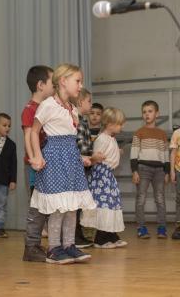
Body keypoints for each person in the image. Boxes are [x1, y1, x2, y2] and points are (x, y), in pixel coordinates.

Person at [30, 63, 95, 264]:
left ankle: (69, 245)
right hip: (54, 160)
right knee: (59, 206)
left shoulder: (73, 109)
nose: (80, 85)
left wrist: (79, 157)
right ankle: (54, 248)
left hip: (70, 160)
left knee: (71, 205)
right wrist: (38, 156)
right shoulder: (48, 105)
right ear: (63, 81)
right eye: (77, 81)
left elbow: (70, 139)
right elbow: (33, 131)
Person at [81, 108, 127, 249]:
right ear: (110, 124)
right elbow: (96, 158)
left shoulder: (110, 138)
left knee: (111, 204)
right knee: (103, 205)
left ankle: (111, 234)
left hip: (108, 175)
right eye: (119, 124)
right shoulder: (102, 138)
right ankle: (100, 238)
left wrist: (116, 152)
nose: (122, 127)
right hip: (101, 176)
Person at [21, 65, 54, 262]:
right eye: (52, 82)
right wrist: (35, 158)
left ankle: (40, 245)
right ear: (41, 85)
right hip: (35, 165)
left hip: (46, 163)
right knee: (36, 206)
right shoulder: (30, 109)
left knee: (46, 205)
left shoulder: (46, 107)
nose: (55, 86)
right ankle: (31, 246)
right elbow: (28, 135)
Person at [131, 100, 169, 239]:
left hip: (159, 170)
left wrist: (166, 172)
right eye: (144, 112)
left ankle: (162, 227)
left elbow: (165, 155)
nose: (147, 114)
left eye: (150, 111)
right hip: (143, 169)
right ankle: (141, 227)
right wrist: (134, 171)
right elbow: (134, 154)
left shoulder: (162, 134)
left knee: (160, 198)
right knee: (141, 198)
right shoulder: (139, 133)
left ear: (157, 114)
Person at [73, 88, 105, 248]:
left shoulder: (83, 120)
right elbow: (80, 146)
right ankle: (74, 236)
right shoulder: (77, 120)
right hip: (77, 166)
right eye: (89, 101)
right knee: (75, 204)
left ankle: (78, 234)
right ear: (80, 102)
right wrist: (93, 156)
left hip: (82, 166)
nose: (90, 105)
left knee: (79, 204)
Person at [170, 125, 180, 239]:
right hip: (179, 169)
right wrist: (172, 171)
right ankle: (179, 226)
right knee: (179, 198)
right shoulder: (177, 133)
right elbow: (173, 153)